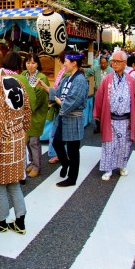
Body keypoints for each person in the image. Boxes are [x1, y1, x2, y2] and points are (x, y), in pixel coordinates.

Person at [0, 50, 31, 233]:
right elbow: (27, 110)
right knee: (14, 183)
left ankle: (0, 221)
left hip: (3, 140)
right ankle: (20, 220)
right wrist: (23, 132)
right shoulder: (16, 80)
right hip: (17, 137)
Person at [38, 50, 88, 187]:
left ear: (74, 63)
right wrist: (44, 87)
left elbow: (74, 100)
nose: (64, 64)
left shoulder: (80, 80)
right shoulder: (67, 78)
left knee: (73, 150)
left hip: (73, 118)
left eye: (66, 61)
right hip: (64, 117)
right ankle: (65, 163)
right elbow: (57, 93)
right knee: (57, 143)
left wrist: (61, 103)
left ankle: (72, 178)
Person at [93, 51, 135, 181]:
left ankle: (122, 166)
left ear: (125, 63)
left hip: (125, 119)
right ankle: (108, 169)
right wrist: (97, 113)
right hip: (110, 118)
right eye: (113, 61)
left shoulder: (131, 81)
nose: (114, 64)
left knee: (124, 145)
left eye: (118, 61)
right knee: (109, 144)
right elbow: (99, 97)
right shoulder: (107, 79)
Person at [22, 53, 48, 178]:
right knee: (27, 141)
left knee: (34, 141)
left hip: (36, 113)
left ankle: (37, 167)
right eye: (28, 62)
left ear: (38, 64)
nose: (30, 65)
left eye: (33, 63)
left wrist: (25, 107)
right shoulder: (23, 75)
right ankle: (32, 162)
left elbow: (40, 97)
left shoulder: (41, 77)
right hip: (24, 114)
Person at [84, 55, 110, 134]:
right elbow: (88, 71)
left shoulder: (111, 71)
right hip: (98, 93)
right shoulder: (96, 69)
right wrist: (81, 69)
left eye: (104, 63)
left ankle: (106, 127)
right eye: (101, 63)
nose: (103, 65)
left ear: (107, 63)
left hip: (108, 95)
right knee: (97, 111)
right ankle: (98, 126)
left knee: (107, 111)